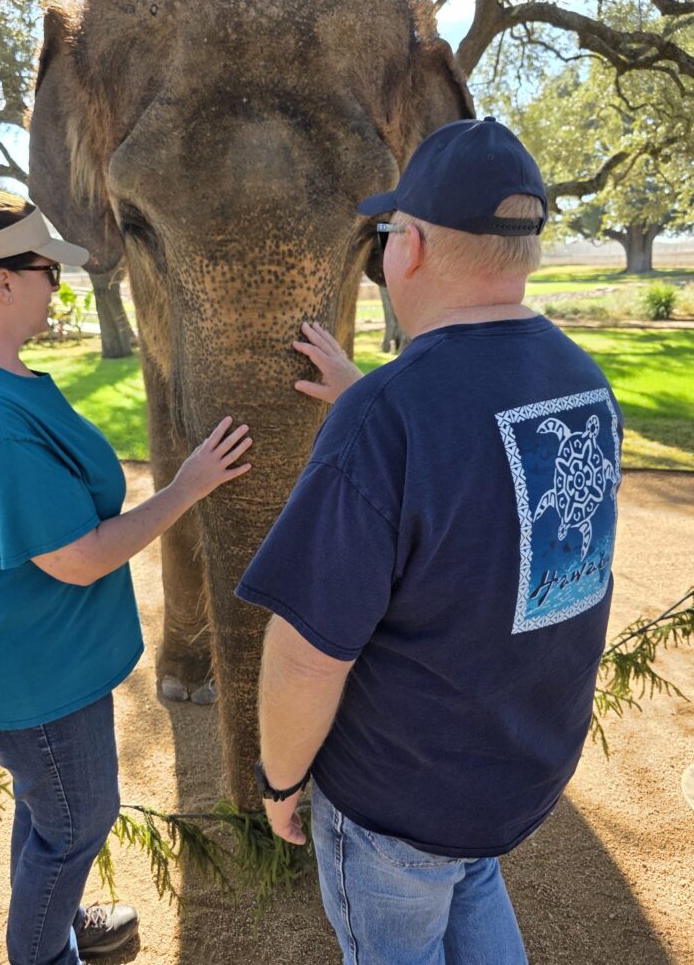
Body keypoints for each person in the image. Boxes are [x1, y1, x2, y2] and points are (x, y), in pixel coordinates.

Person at [238, 118, 623, 964]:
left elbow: (305, 657)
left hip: (399, 805)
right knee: (470, 876)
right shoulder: (584, 383)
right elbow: (493, 495)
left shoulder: (390, 418)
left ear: (407, 247)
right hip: (511, 780)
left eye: (389, 233)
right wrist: (370, 397)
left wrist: (278, 779)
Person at [0, 191, 252, 965]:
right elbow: (78, 557)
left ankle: (59, 922)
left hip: (25, 656)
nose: (58, 285)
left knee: (52, 813)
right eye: (49, 271)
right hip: (29, 674)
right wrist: (187, 486)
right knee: (76, 823)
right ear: (4, 282)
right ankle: (45, 953)